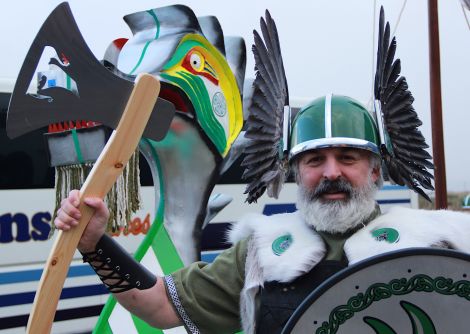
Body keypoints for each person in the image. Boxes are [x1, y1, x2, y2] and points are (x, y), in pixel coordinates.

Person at [55, 95, 470, 334]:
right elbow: (159, 306)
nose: (330, 173)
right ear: (295, 171)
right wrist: (94, 245)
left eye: (347, 158)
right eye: (313, 160)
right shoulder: (260, 254)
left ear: (375, 170)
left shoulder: (438, 243)